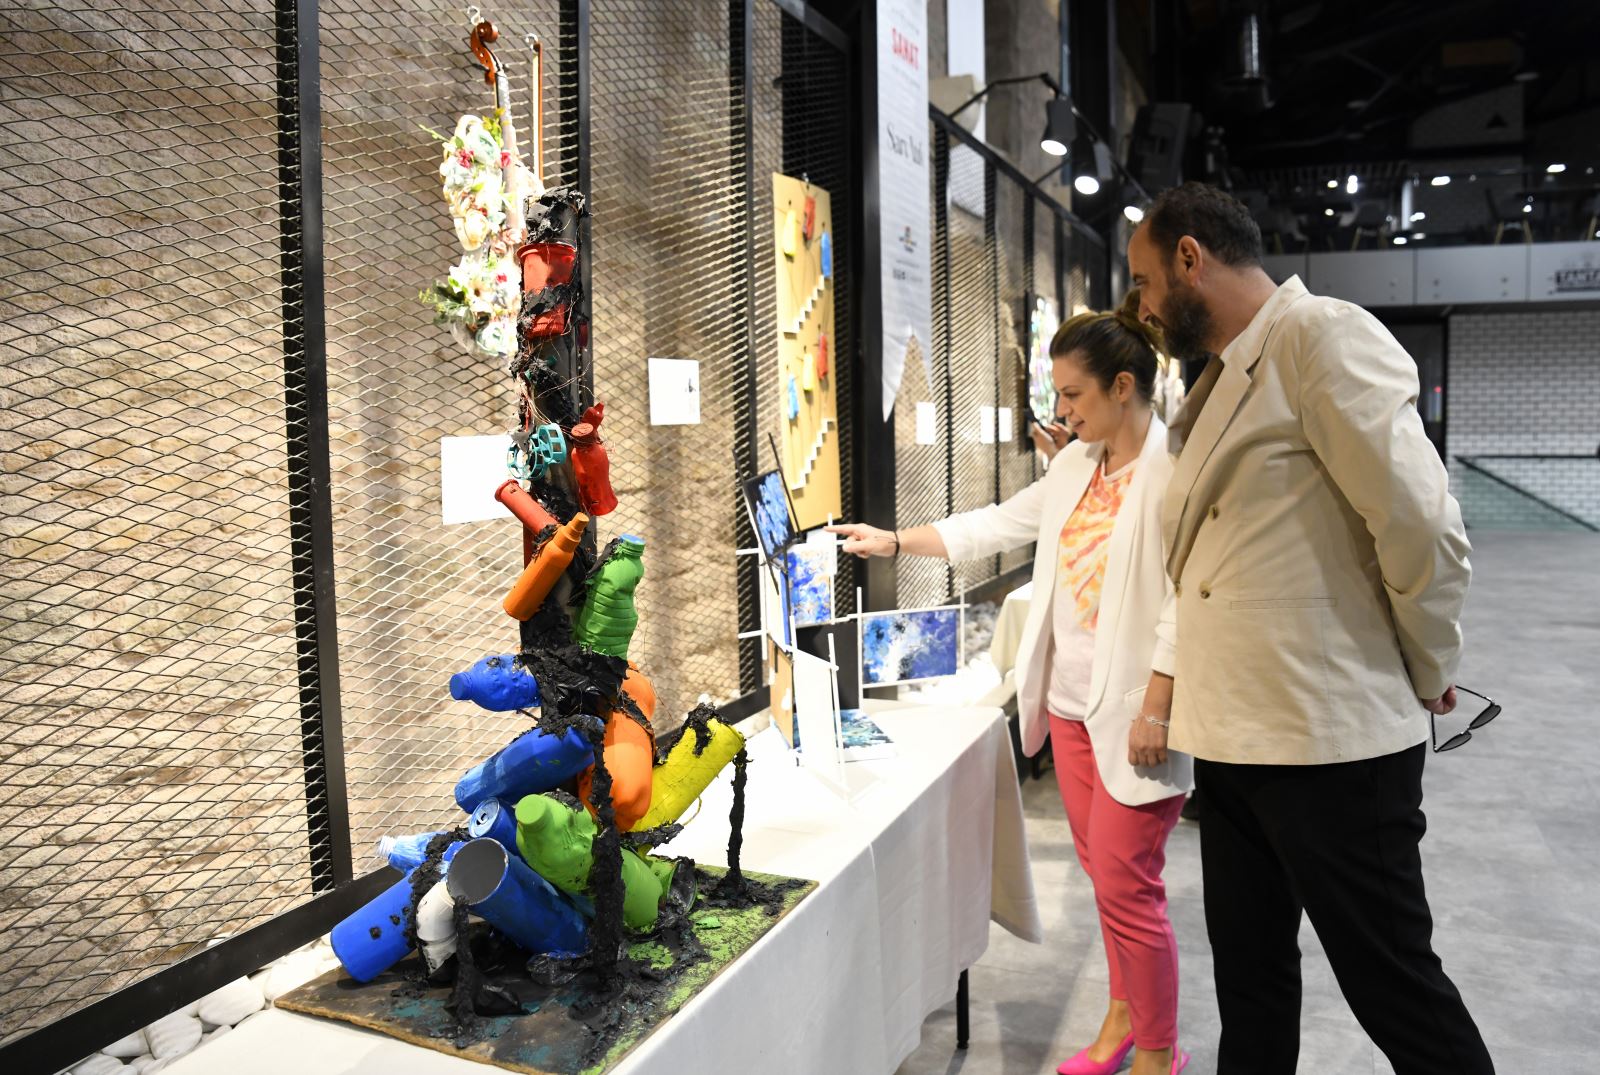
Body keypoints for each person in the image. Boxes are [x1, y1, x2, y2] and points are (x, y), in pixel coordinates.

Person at [1126, 182, 1493, 1074]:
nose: (1139, 305)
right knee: (1251, 984)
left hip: (1331, 740)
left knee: (1394, 986)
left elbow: (1421, 525)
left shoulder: (1320, 335)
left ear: (1189, 258)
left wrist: (1427, 660)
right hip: (1238, 736)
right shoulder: (1223, 376)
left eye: (1142, 279)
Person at [831, 293, 1193, 1075]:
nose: (1062, 411)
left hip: (1138, 716)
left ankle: (1160, 1053)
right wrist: (895, 539)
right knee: (1107, 881)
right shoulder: (1075, 466)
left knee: (1130, 885)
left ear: (1122, 386)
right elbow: (996, 523)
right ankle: (1124, 1015)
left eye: (1073, 394)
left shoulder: (1175, 472)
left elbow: (1185, 601)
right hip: (1068, 708)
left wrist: (1161, 706)